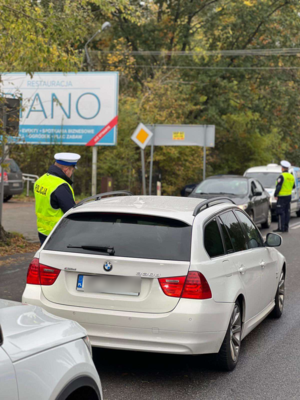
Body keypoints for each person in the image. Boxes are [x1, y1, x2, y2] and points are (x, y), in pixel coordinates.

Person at [34, 152, 81, 245]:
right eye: (72, 171)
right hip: (58, 233)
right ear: (66, 170)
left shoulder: (41, 180)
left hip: (42, 231)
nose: (71, 174)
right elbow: (71, 211)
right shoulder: (61, 186)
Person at [273, 160, 295, 233]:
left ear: (282, 168)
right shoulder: (291, 176)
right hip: (288, 196)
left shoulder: (282, 176)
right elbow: (293, 186)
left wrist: (275, 194)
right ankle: (286, 227)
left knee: (280, 212)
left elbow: (278, 186)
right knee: (287, 212)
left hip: (281, 197)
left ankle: (281, 228)